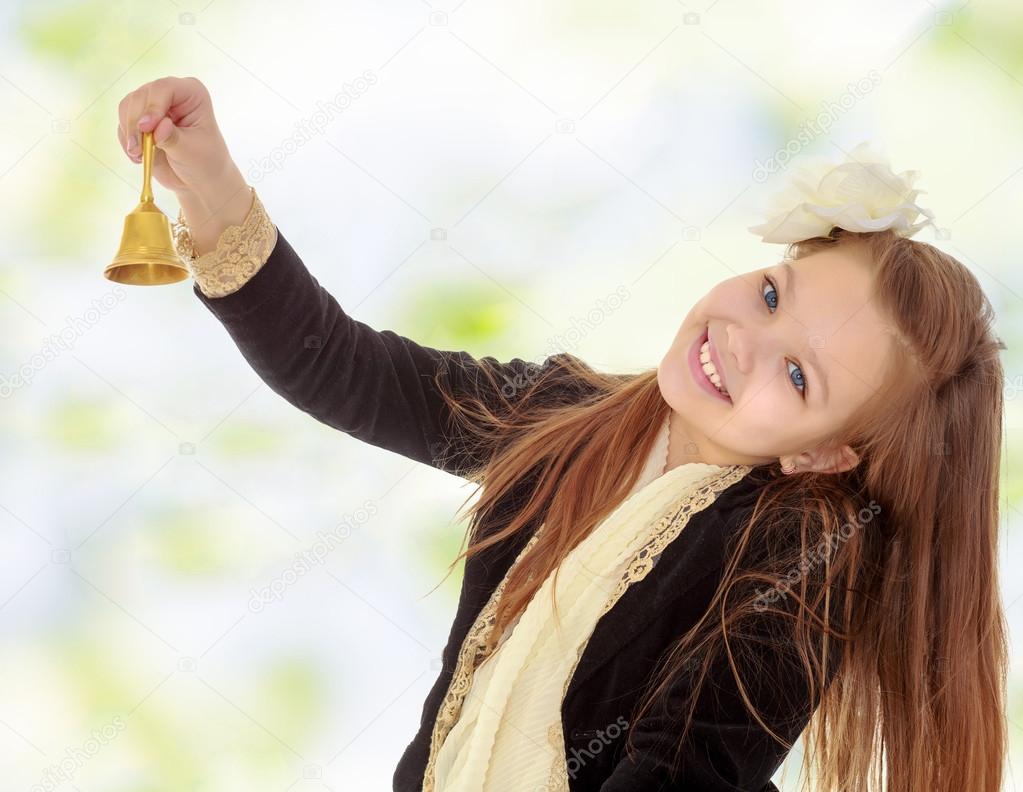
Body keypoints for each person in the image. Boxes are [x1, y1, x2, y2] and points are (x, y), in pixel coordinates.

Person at [117, 76, 1009, 791]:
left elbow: (683, 771)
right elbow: (344, 368)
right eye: (773, 294)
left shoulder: (796, 558)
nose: (745, 339)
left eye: (797, 375)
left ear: (825, 455)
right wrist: (212, 188)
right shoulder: (571, 416)